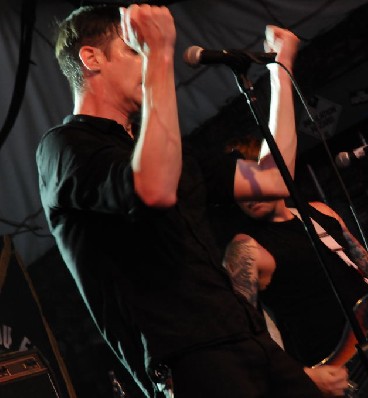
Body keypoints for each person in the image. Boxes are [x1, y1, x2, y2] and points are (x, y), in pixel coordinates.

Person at [36, 4, 324, 398]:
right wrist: (157, 52)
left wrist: (279, 73)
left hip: (246, 335)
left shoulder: (165, 148)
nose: (146, 60)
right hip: (187, 358)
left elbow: (273, 179)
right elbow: (153, 188)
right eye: (133, 50)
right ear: (91, 57)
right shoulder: (63, 147)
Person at [222, 139, 368, 397]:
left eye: (250, 179)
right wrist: (302, 376)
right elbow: (240, 332)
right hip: (334, 378)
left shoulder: (319, 213)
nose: (246, 194)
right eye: (237, 187)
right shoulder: (245, 248)